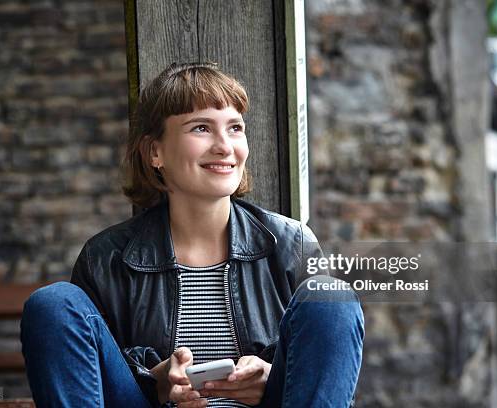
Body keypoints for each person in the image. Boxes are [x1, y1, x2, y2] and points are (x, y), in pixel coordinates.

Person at [20, 62, 364, 408]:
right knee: (53, 304)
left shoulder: (291, 244)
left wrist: (273, 375)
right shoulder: (105, 258)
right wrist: (153, 382)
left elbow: (328, 373)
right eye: (201, 128)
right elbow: (96, 376)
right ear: (155, 152)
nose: (224, 146)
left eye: (234, 128)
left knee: (329, 298)